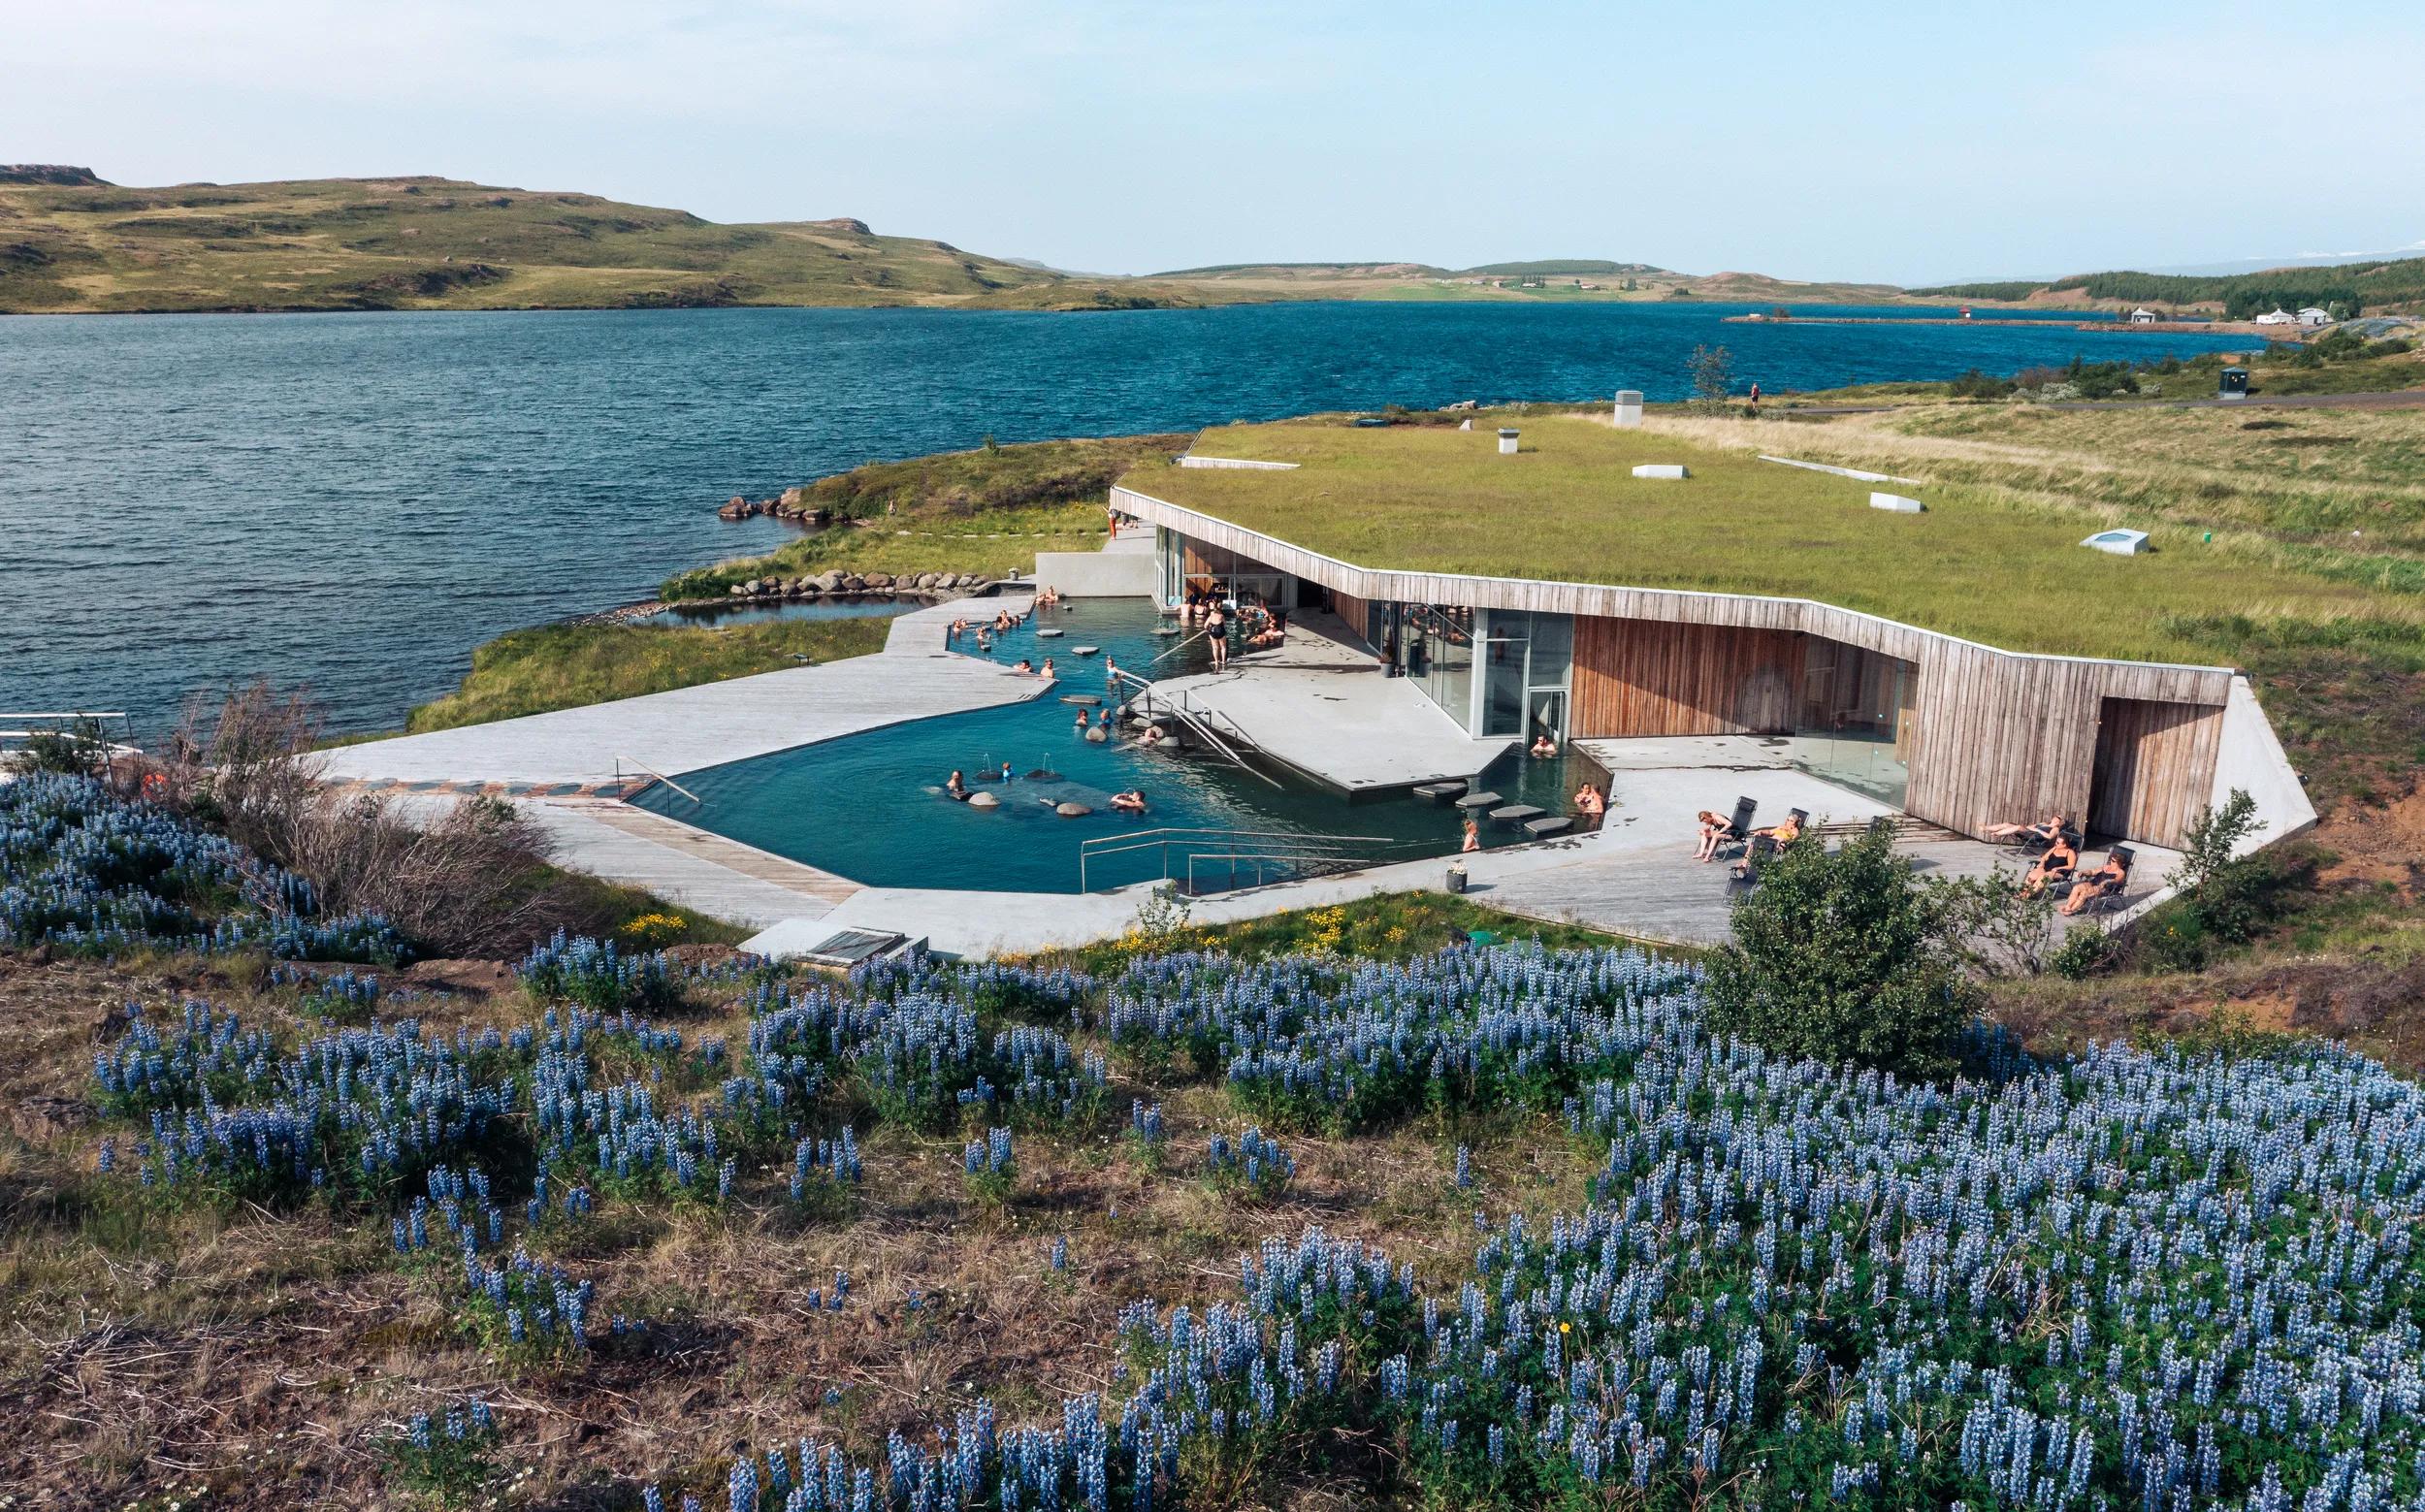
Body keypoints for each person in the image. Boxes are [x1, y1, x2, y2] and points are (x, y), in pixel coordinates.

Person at [2060, 850, 2131, 916]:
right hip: (2094, 883)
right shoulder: (2106, 867)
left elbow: (2117, 880)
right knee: (2076, 888)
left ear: (2120, 863)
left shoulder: (2121, 872)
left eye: (2113, 861)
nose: (2110, 861)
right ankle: (2068, 906)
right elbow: (2093, 871)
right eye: (2110, 859)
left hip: (2105, 888)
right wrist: (2084, 872)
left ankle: (2072, 910)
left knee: (2085, 893)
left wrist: (2107, 881)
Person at [2022, 833, 2080, 897]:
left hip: (2058, 872)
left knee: (2044, 878)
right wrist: (2042, 863)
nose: (2056, 844)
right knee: (2032, 876)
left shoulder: (2070, 852)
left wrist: (2058, 868)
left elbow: (2071, 866)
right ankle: (2023, 892)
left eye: (2058, 843)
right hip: (2045, 868)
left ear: (2064, 845)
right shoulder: (2054, 848)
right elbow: (2044, 857)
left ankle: (2028, 895)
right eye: (2056, 842)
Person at [1986, 812, 2066, 847]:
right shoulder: (2044, 823)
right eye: (2056, 816)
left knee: (2017, 827)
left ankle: (1997, 834)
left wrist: (2038, 830)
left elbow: (2049, 837)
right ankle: (1986, 828)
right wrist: (2031, 828)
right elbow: (2030, 826)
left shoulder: (2055, 829)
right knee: (2007, 824)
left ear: (2060, 822)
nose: (2056, 816)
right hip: (2028, 831)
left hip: (2033, 836)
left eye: (2058, 817)